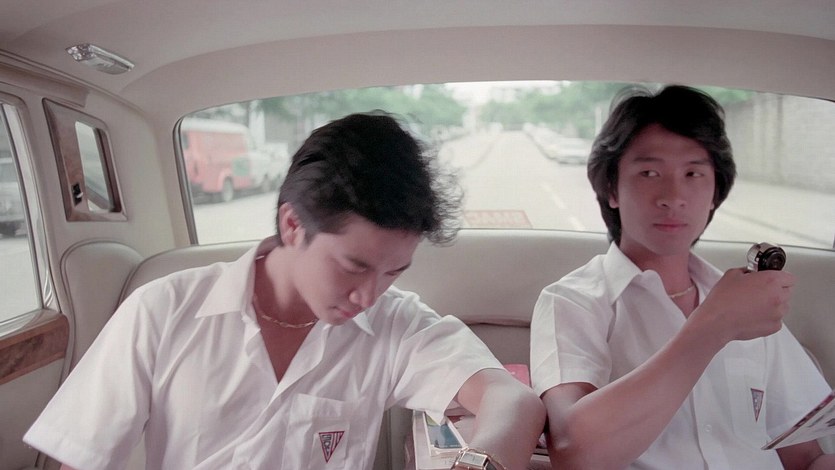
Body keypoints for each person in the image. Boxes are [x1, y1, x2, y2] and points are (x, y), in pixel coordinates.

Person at [25, 112, 545, 470]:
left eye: (393, 272)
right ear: (293, 225)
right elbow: (83, 458)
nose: (369, 296)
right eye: (354, 266)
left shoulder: (395, 324)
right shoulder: (162, 311)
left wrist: (480, 464)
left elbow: (511, 400)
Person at [530, 85, 834, 469]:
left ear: (715, 192)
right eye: (649, 172)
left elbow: (805, 456)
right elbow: (573, 450)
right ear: (611, 189)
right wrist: (714, 327)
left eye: (693, 173)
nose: (673, 196)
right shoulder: (573, 301)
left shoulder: (749, 303)